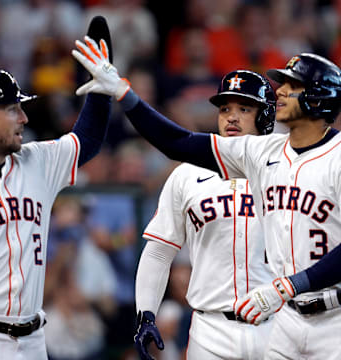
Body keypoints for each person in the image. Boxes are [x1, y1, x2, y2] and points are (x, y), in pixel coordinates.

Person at [72, 38, 341, 359]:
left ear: (318, 98)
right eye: (225, 108)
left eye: (291, 85)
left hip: (316, 315)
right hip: (248, 324)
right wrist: (124, 94)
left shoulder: (329, 158)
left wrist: (289, 286)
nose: (280, 90)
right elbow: (178, 142)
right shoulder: (258, 154)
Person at [0, 31, 112, 359]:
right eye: (12, 109)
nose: (24, 118)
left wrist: (99, 90)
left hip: (35, 339)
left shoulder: (35, 160)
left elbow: (87, 140)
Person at [132, 70, 276, 359]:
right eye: (225, 108)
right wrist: (146, 313)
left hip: (278, 324)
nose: (231, 117)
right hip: (211, 330)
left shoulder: (285, 169)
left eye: (244, 109)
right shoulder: (187, 174)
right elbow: (159, 251)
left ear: (265, 116)